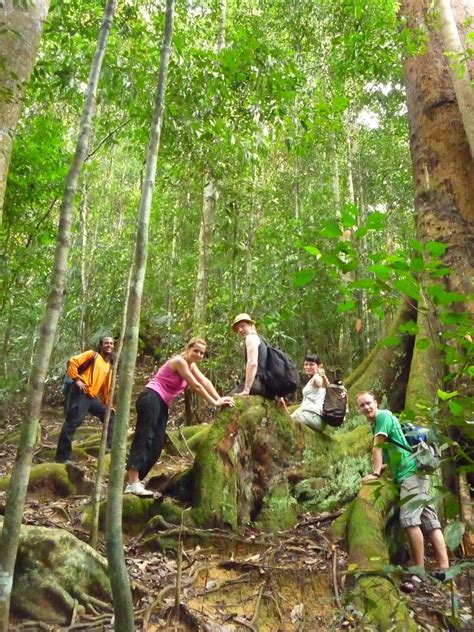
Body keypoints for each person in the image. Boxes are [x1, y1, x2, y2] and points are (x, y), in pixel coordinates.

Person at [125, 337, 234, 497]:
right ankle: (133, 484)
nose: (198, 355)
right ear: (187, 349)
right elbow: (195, 385)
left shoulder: (192, 365)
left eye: (202, 353)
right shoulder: (179, 361)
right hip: (151, 397)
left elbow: (204, 381)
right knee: (145, 437)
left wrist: (221, 399)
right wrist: (214, 402)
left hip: (162, 403)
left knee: (157, 443)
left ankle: (129, 481)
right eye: (195, 350)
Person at [356, 391, 449, 579]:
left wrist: (374, 473)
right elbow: (396, 448)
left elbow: (378, 446)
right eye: (362, 405)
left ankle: (419, 571)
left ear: (376, 402)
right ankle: (444, 567)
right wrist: (384, 467)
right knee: (429, 520)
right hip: (415, 473)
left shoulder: (383, 416)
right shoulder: (380, 421)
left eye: (368, 403)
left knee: (409, 521)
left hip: (411, 475)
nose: (366, 407)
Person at [56, 335, 115, 464]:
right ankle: (63, 457)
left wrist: (108, 403)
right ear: (101, 345)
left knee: (110, 415)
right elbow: (72, 361)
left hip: (91, 397)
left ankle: (108, 449)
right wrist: (76, 379)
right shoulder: (92, 355)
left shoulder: (109, 367)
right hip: (81, 393)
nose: (109, 345)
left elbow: (106, 388)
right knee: (72, 422)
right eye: (106, 343)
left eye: (111, 343)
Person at [231, 313, 272, 399]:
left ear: (250, 325)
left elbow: (252, 362)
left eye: (243, 326)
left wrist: (246, 389)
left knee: (226, 401)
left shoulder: (250, 338)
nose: (240, 330)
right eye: (238, 329)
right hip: (267, 388)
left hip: (255, 383)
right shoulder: (263, 341)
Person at [288, 353, 330, 432]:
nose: (308, 367)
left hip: (314, 417)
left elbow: (324, 385)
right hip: (311, 417)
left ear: (319, 366)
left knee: (286, 422)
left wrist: (324, 376)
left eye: (311, 365)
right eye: (306, 364)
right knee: (287, 419)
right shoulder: (311, 380)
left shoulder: (316, 377)